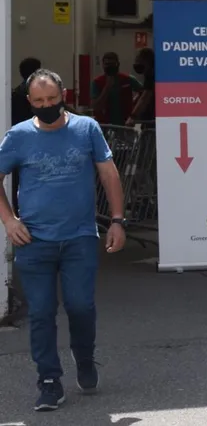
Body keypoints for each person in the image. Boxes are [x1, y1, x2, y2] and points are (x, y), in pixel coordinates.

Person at [0, 69, 127, 412]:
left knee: (80, 307)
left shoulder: (86, 129)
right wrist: (9, 220)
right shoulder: (18, 137)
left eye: (52, 100)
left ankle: (84, 358)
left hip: (79, 238)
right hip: (34, 242)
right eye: (39, 101)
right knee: (41, 313)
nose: (46, 106)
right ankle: (49, 381)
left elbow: (108, 173)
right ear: (30, 103)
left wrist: (117, 221)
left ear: (63, 95)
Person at [10, 56, 41, 216]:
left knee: (18, 180)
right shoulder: (35, 94)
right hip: (35, 141)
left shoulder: (15, 93)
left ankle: (18, 212)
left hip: (18, 142)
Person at [90, 52, 142, 127]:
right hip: (104, 125)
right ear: (103, 65)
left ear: (118, 64)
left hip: (125, 124)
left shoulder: (128, 79)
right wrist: (107, 87)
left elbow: (145, 93)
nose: (110, 67)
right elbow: (96, 107)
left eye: (112, 64)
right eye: (107, 64)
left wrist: (135, 104)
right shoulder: (97, 82)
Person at [127, 47, 155, 128]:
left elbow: (145, 98)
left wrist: (133, 116)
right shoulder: (149, 75)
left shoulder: (152, 76)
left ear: (148, 62)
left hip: (153, 119)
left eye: (139, 61)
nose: (137, 64)